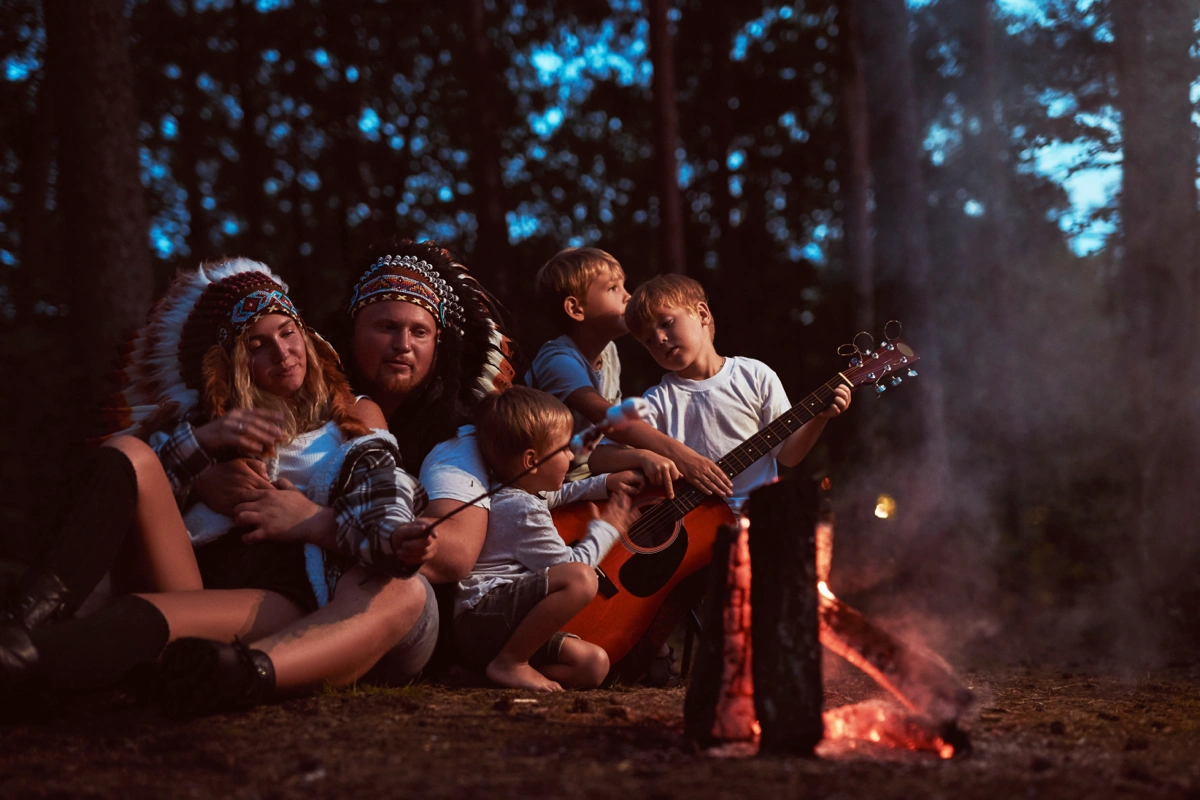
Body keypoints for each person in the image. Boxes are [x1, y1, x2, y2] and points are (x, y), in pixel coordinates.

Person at [0, 260, 435, 713]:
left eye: (288, 333)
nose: (283, 354)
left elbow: (381, 493)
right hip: (192, 574)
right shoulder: (207, 421)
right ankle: (22, 620)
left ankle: (19, 663)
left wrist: (394, 537)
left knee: (144, 617)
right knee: (129, 455)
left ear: (306, 336)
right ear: (237, 361)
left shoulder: (348, 423)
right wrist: (203, 446)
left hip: (280, 592)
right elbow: (122, 500)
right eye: (259, 345)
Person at [191, 240, 515, 679]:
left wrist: (313, 520)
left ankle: (246, 673)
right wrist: (205, 479)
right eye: (385, 327)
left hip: (387, 605)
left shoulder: (453, 438)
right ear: (351, 331)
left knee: (402, 587)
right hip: (279, 585)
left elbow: (453, 553)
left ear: (439, 346)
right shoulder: (302, 398)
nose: (402, 345)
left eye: (420, 332)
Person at [590, 274, 852, 512]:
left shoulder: (755, 375)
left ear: (702, 313)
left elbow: (788, 456)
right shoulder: (657, 400)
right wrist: (644, 456)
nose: (659, 338)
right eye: (648, 340)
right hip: (693, 535)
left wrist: (820, 418)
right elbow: (598, 459)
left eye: (666, 323)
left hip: (761, 521)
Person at [453, 387, 640, 692]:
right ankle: (510, 662)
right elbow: (574, 566)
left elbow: (553, 494)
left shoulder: (516, 492)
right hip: (484, 617)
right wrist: (606, 528)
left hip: (501, 625)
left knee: (594, 665)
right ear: (532, 461)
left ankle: (483, 675)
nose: (571, 455)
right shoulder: (520, 509)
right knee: (581, 579)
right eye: (565, 448)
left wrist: (603, 484)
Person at [527, 247, 732, 499]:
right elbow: (611, 421)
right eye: (613, 288)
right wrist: (682, 456)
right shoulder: (558, 361)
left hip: (594, 476)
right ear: (575, 309)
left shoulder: (609, 353)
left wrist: (643, 456)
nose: (628, 296)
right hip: (554, 489)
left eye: (625, 287)